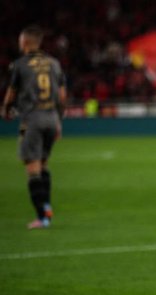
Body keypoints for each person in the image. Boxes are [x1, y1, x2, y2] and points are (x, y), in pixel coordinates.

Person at [2, 25, 66, 229]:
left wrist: (6, 110)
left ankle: (42, 217)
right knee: (44, 165)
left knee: (33, 169)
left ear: (25, 42)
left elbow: (11, 93)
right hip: (51, 118)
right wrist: (58, 121)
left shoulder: (20, 65)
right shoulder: (54, 63)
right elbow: (62, 96)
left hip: (32, 120)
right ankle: (46, 211)